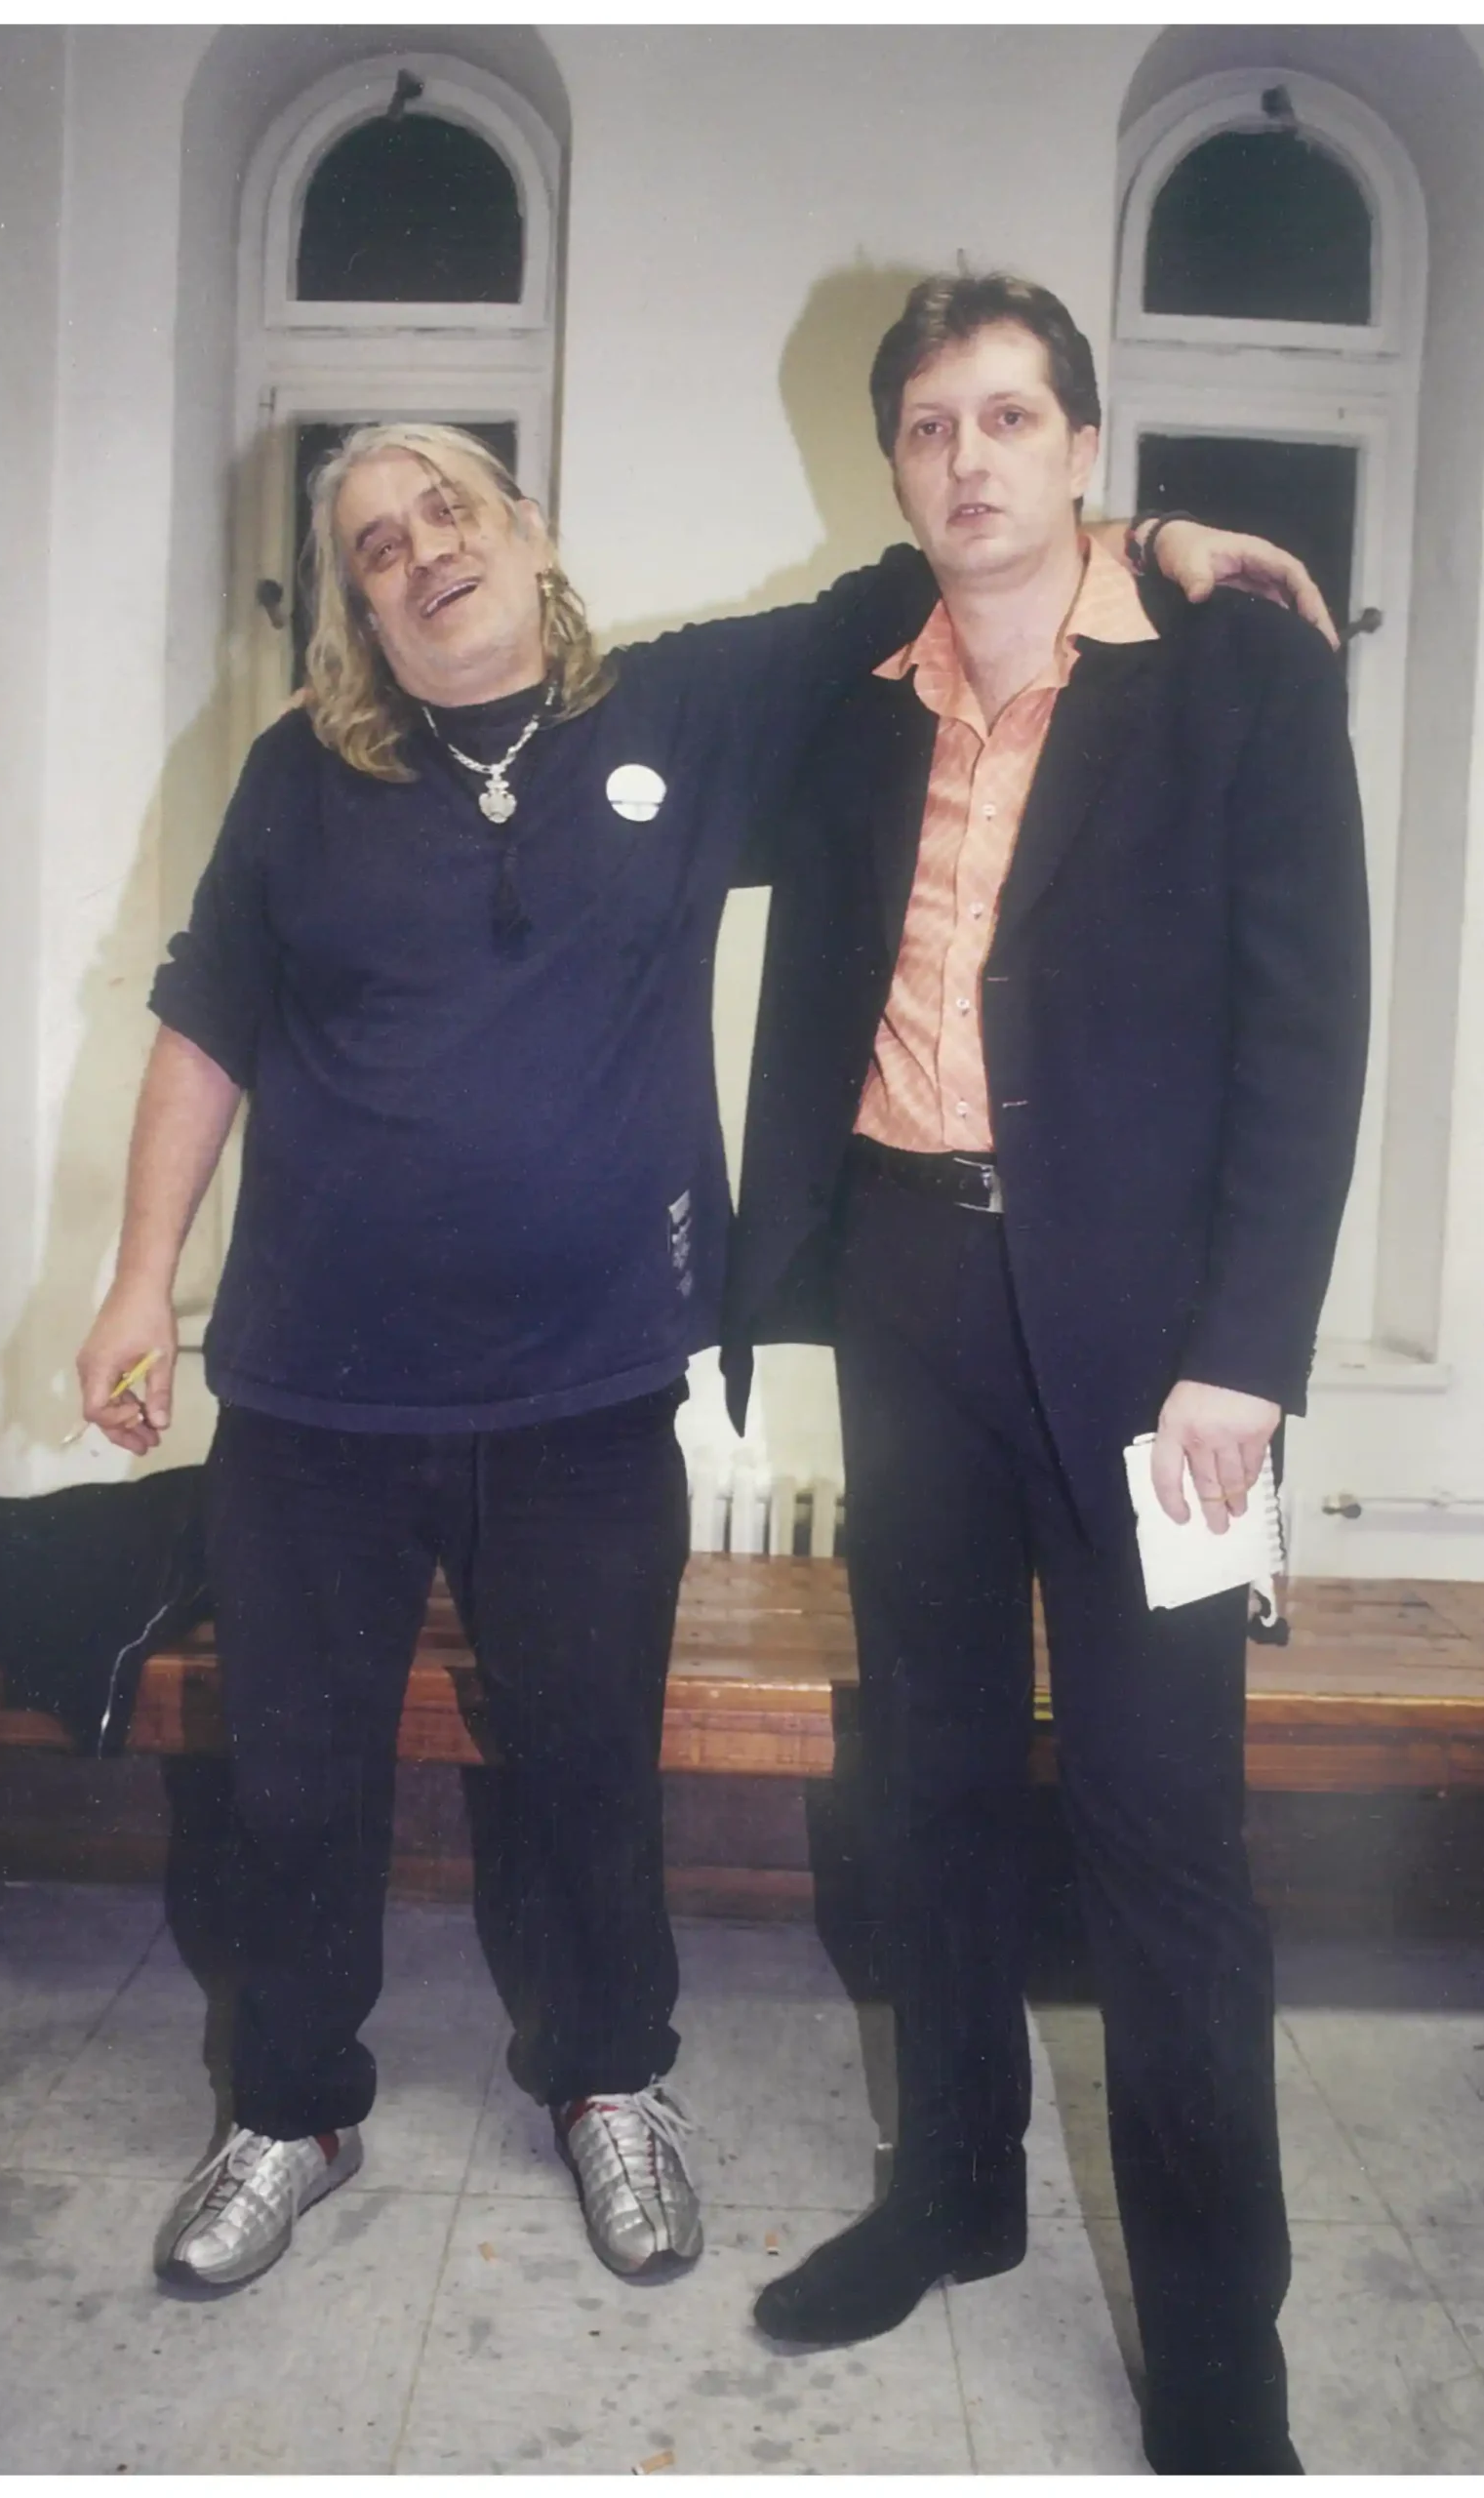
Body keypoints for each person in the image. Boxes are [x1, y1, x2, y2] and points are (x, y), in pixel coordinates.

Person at [75, 415, 1325, 2302]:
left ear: (531, 529)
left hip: (589, 1390)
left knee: (594, 1772)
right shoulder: (299, 778)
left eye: (450, 508)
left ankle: (610, 2083)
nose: (423, 550)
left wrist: (1146, 535)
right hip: (317, 1393)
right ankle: (291, 2109)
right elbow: (202, 1026)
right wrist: (132, 1283)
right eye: (376, 545)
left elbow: (926, 569)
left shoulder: (678, 712)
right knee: (297, 1781)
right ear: (355, 610)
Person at [726, 271, 1369, 2476]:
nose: (969, 458)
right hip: (907, 1287)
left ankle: (1217, 2355)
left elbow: (1309, 1034)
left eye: (1011, 417)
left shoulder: (1237, 670)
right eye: (931, 425)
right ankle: (955, 2192)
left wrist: (1246, 1357)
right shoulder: (859, 692)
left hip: (1162, 1355)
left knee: (1164, 1837)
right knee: (924, 1782)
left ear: (1085, 447)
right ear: (895, 465)